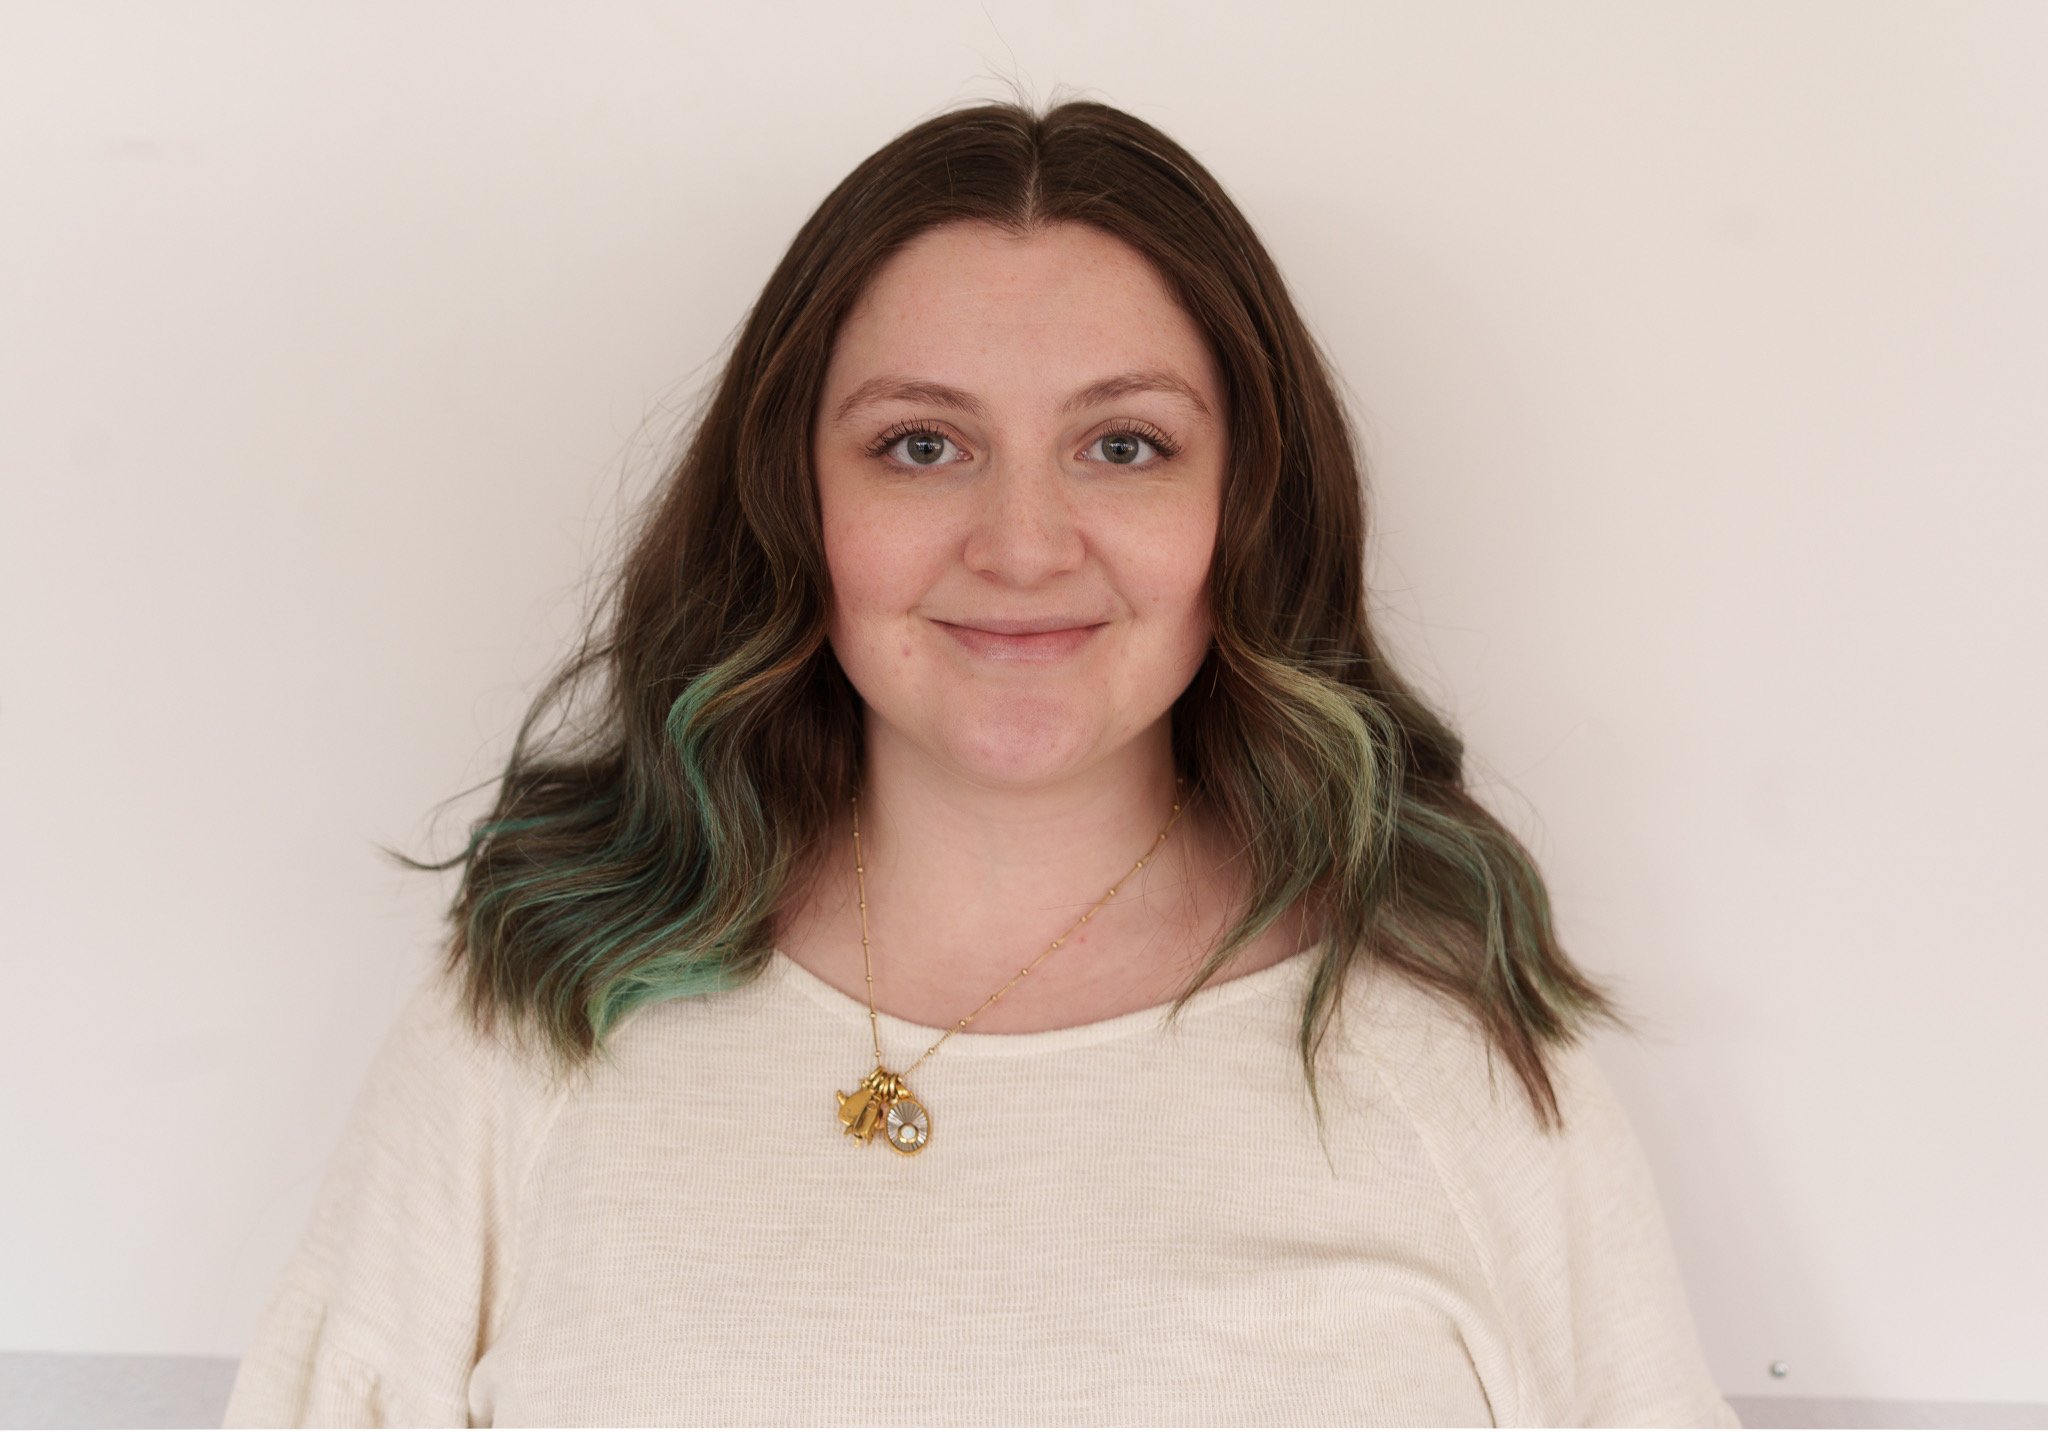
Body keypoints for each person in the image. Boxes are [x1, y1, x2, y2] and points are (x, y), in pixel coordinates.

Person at [222, 96, 1740, 1427]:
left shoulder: (1451, 1048)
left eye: (1125, 445)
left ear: (1249, 507)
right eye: (921, 445)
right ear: (792, 499)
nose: (1023, 546)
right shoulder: (543, 1005)